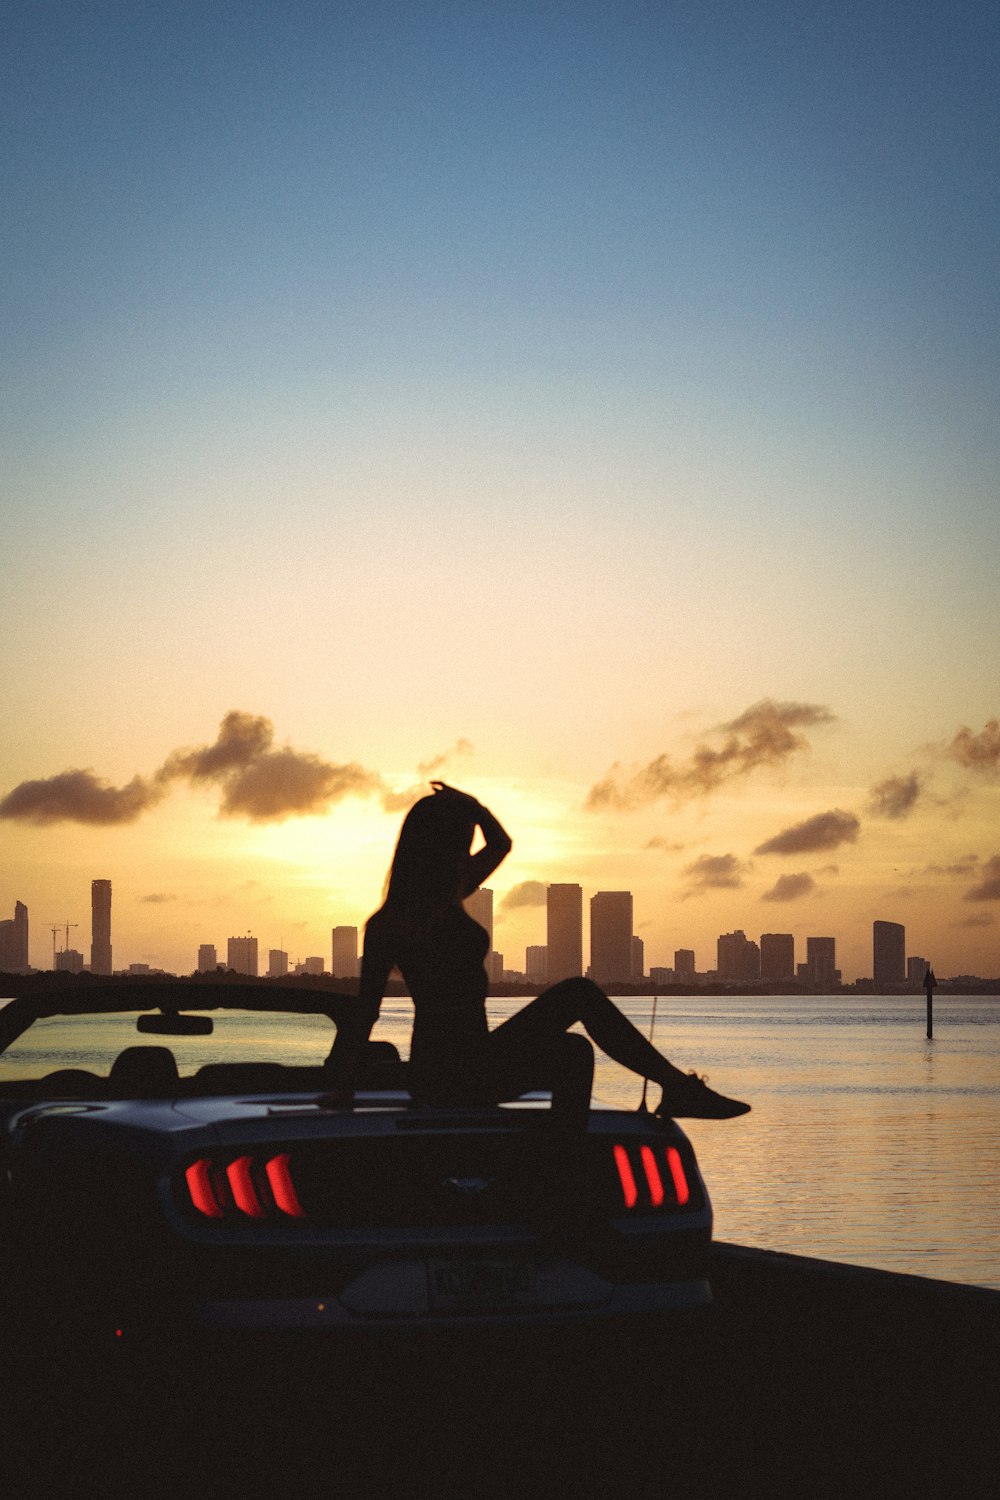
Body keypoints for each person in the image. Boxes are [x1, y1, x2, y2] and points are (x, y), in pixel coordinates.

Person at [327, 782, 749, 1122]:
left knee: (575, 1045)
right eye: (459, 842)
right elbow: (368, 1010)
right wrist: (343, 1092)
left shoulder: (449, 894)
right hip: (444, 1075)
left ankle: (575, 1162)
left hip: (478, 1058)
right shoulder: (391, 924)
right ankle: (674, 1090)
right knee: (578, 1002)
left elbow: (501, 843)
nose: (465, 851)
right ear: (438, 848)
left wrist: (471, 805)